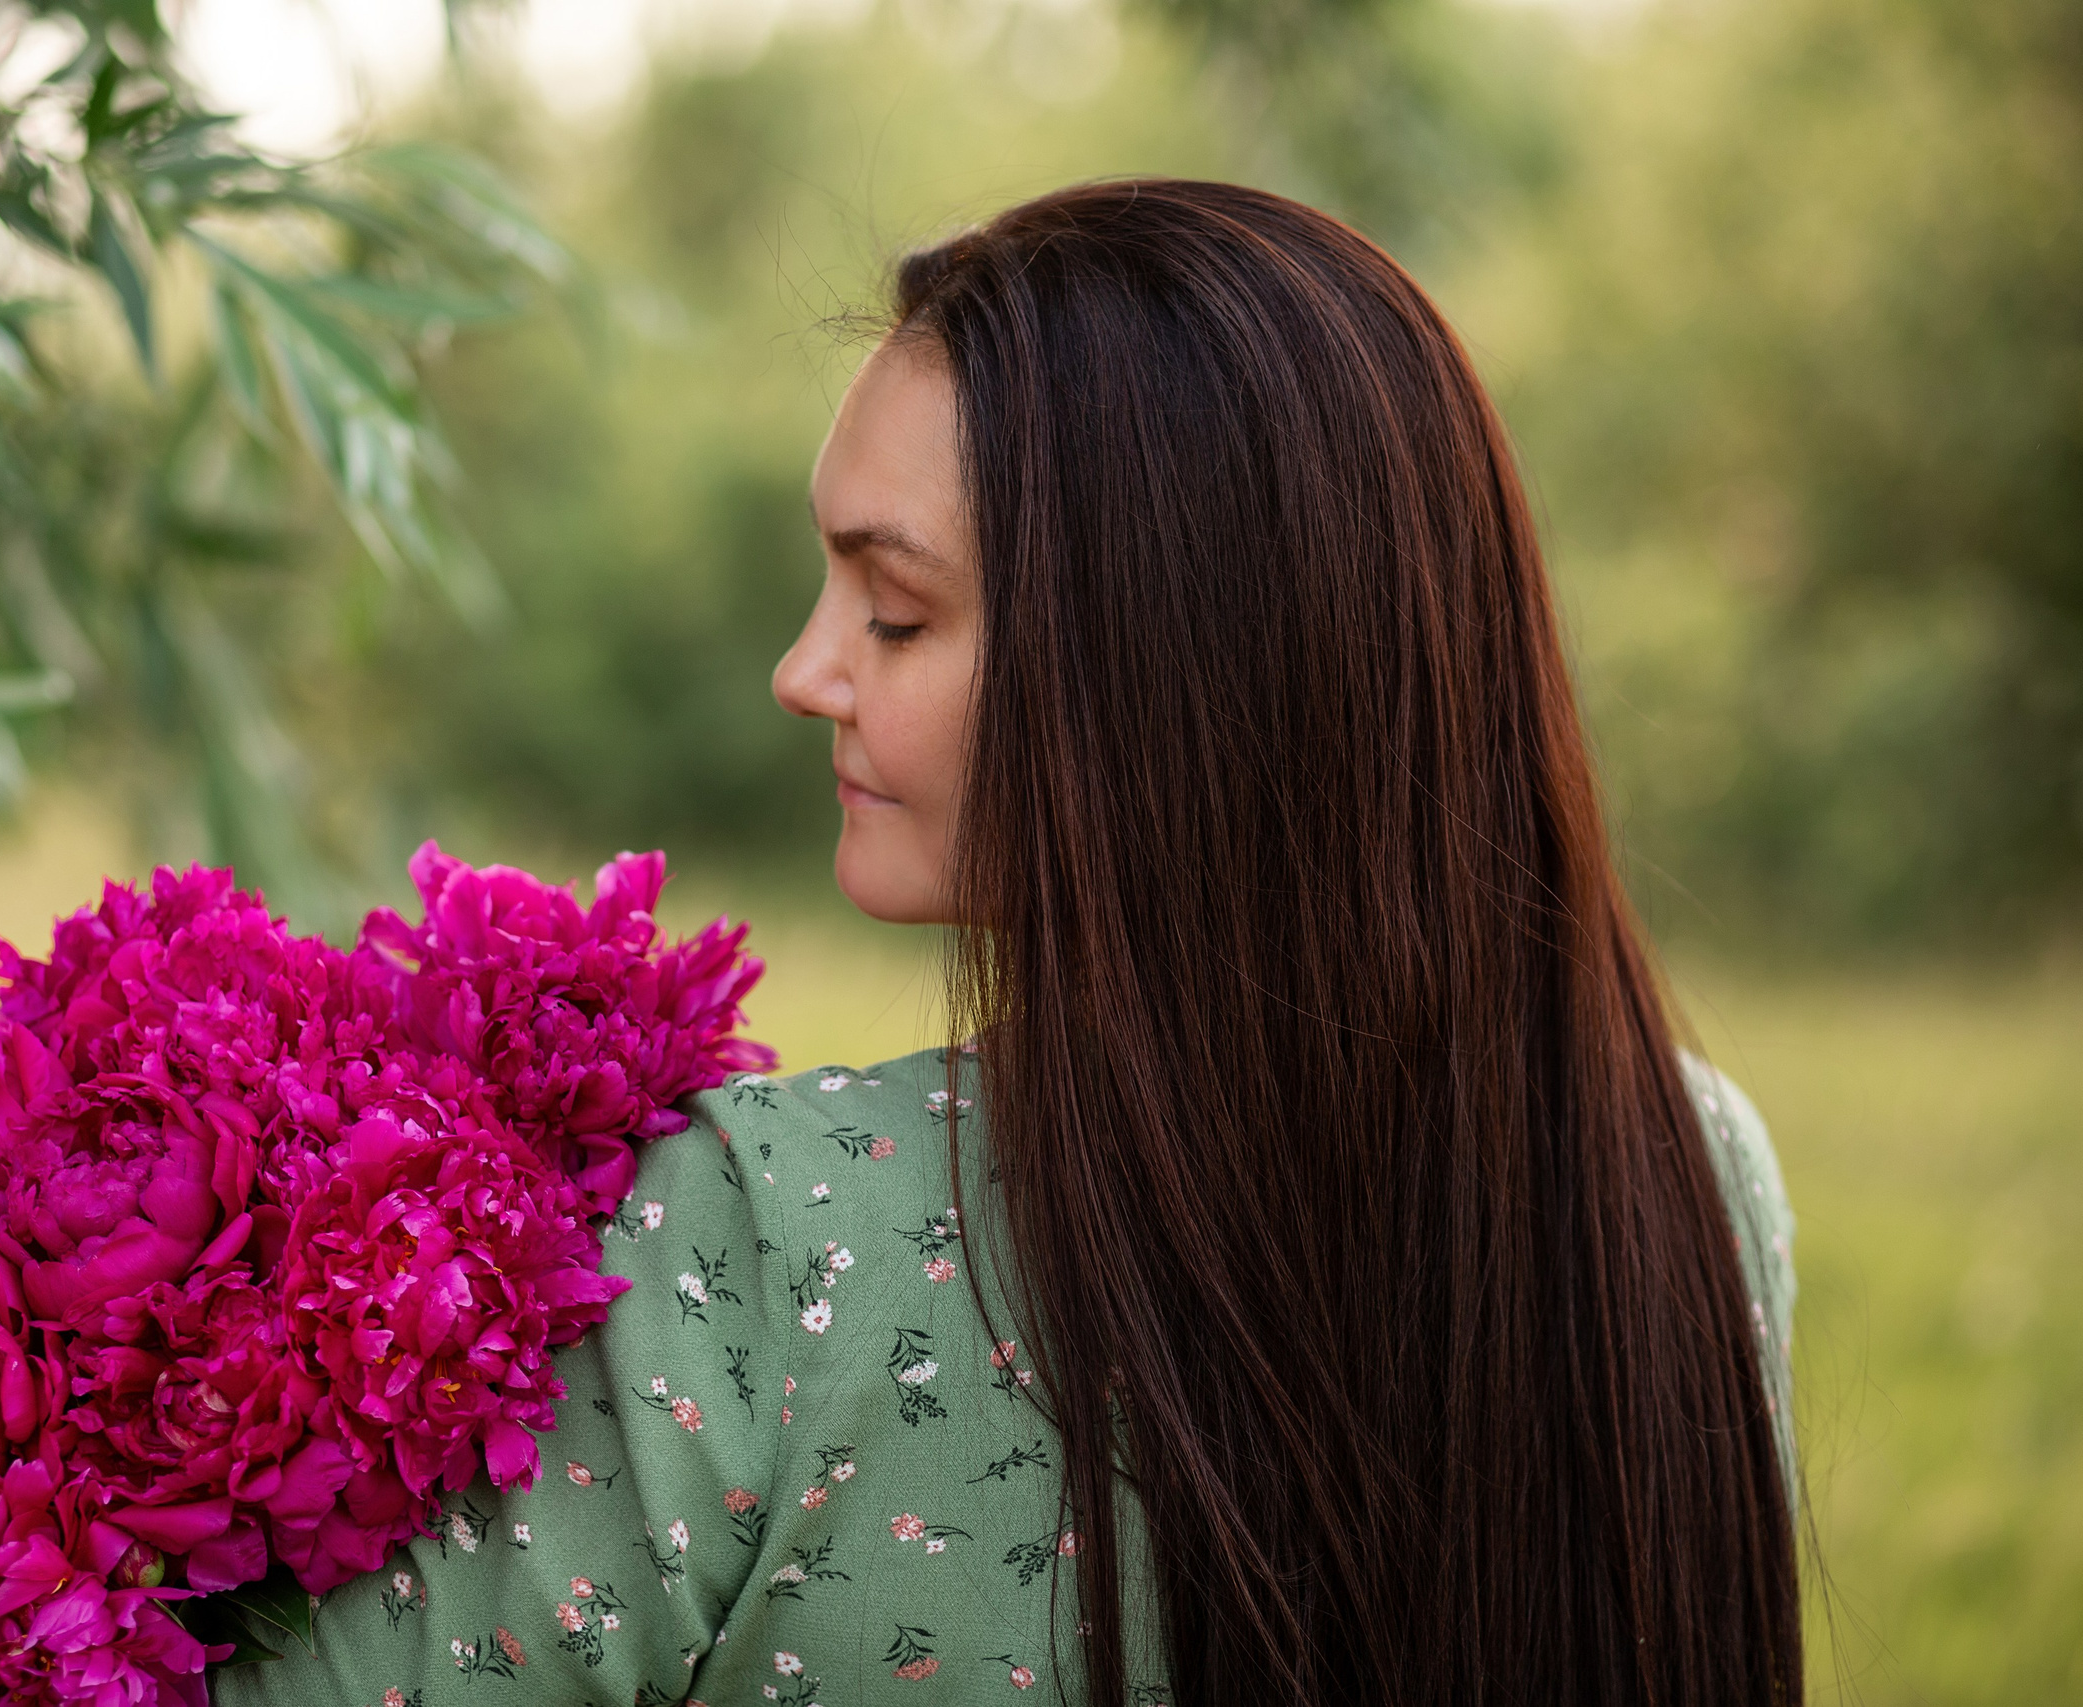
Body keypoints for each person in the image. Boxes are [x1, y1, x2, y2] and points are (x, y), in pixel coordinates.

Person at [213, 178, 1800, 1707]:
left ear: (1165, 681)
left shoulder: (770, 1243)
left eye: (893, 614)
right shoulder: (1684, 1175)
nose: (802, 670)